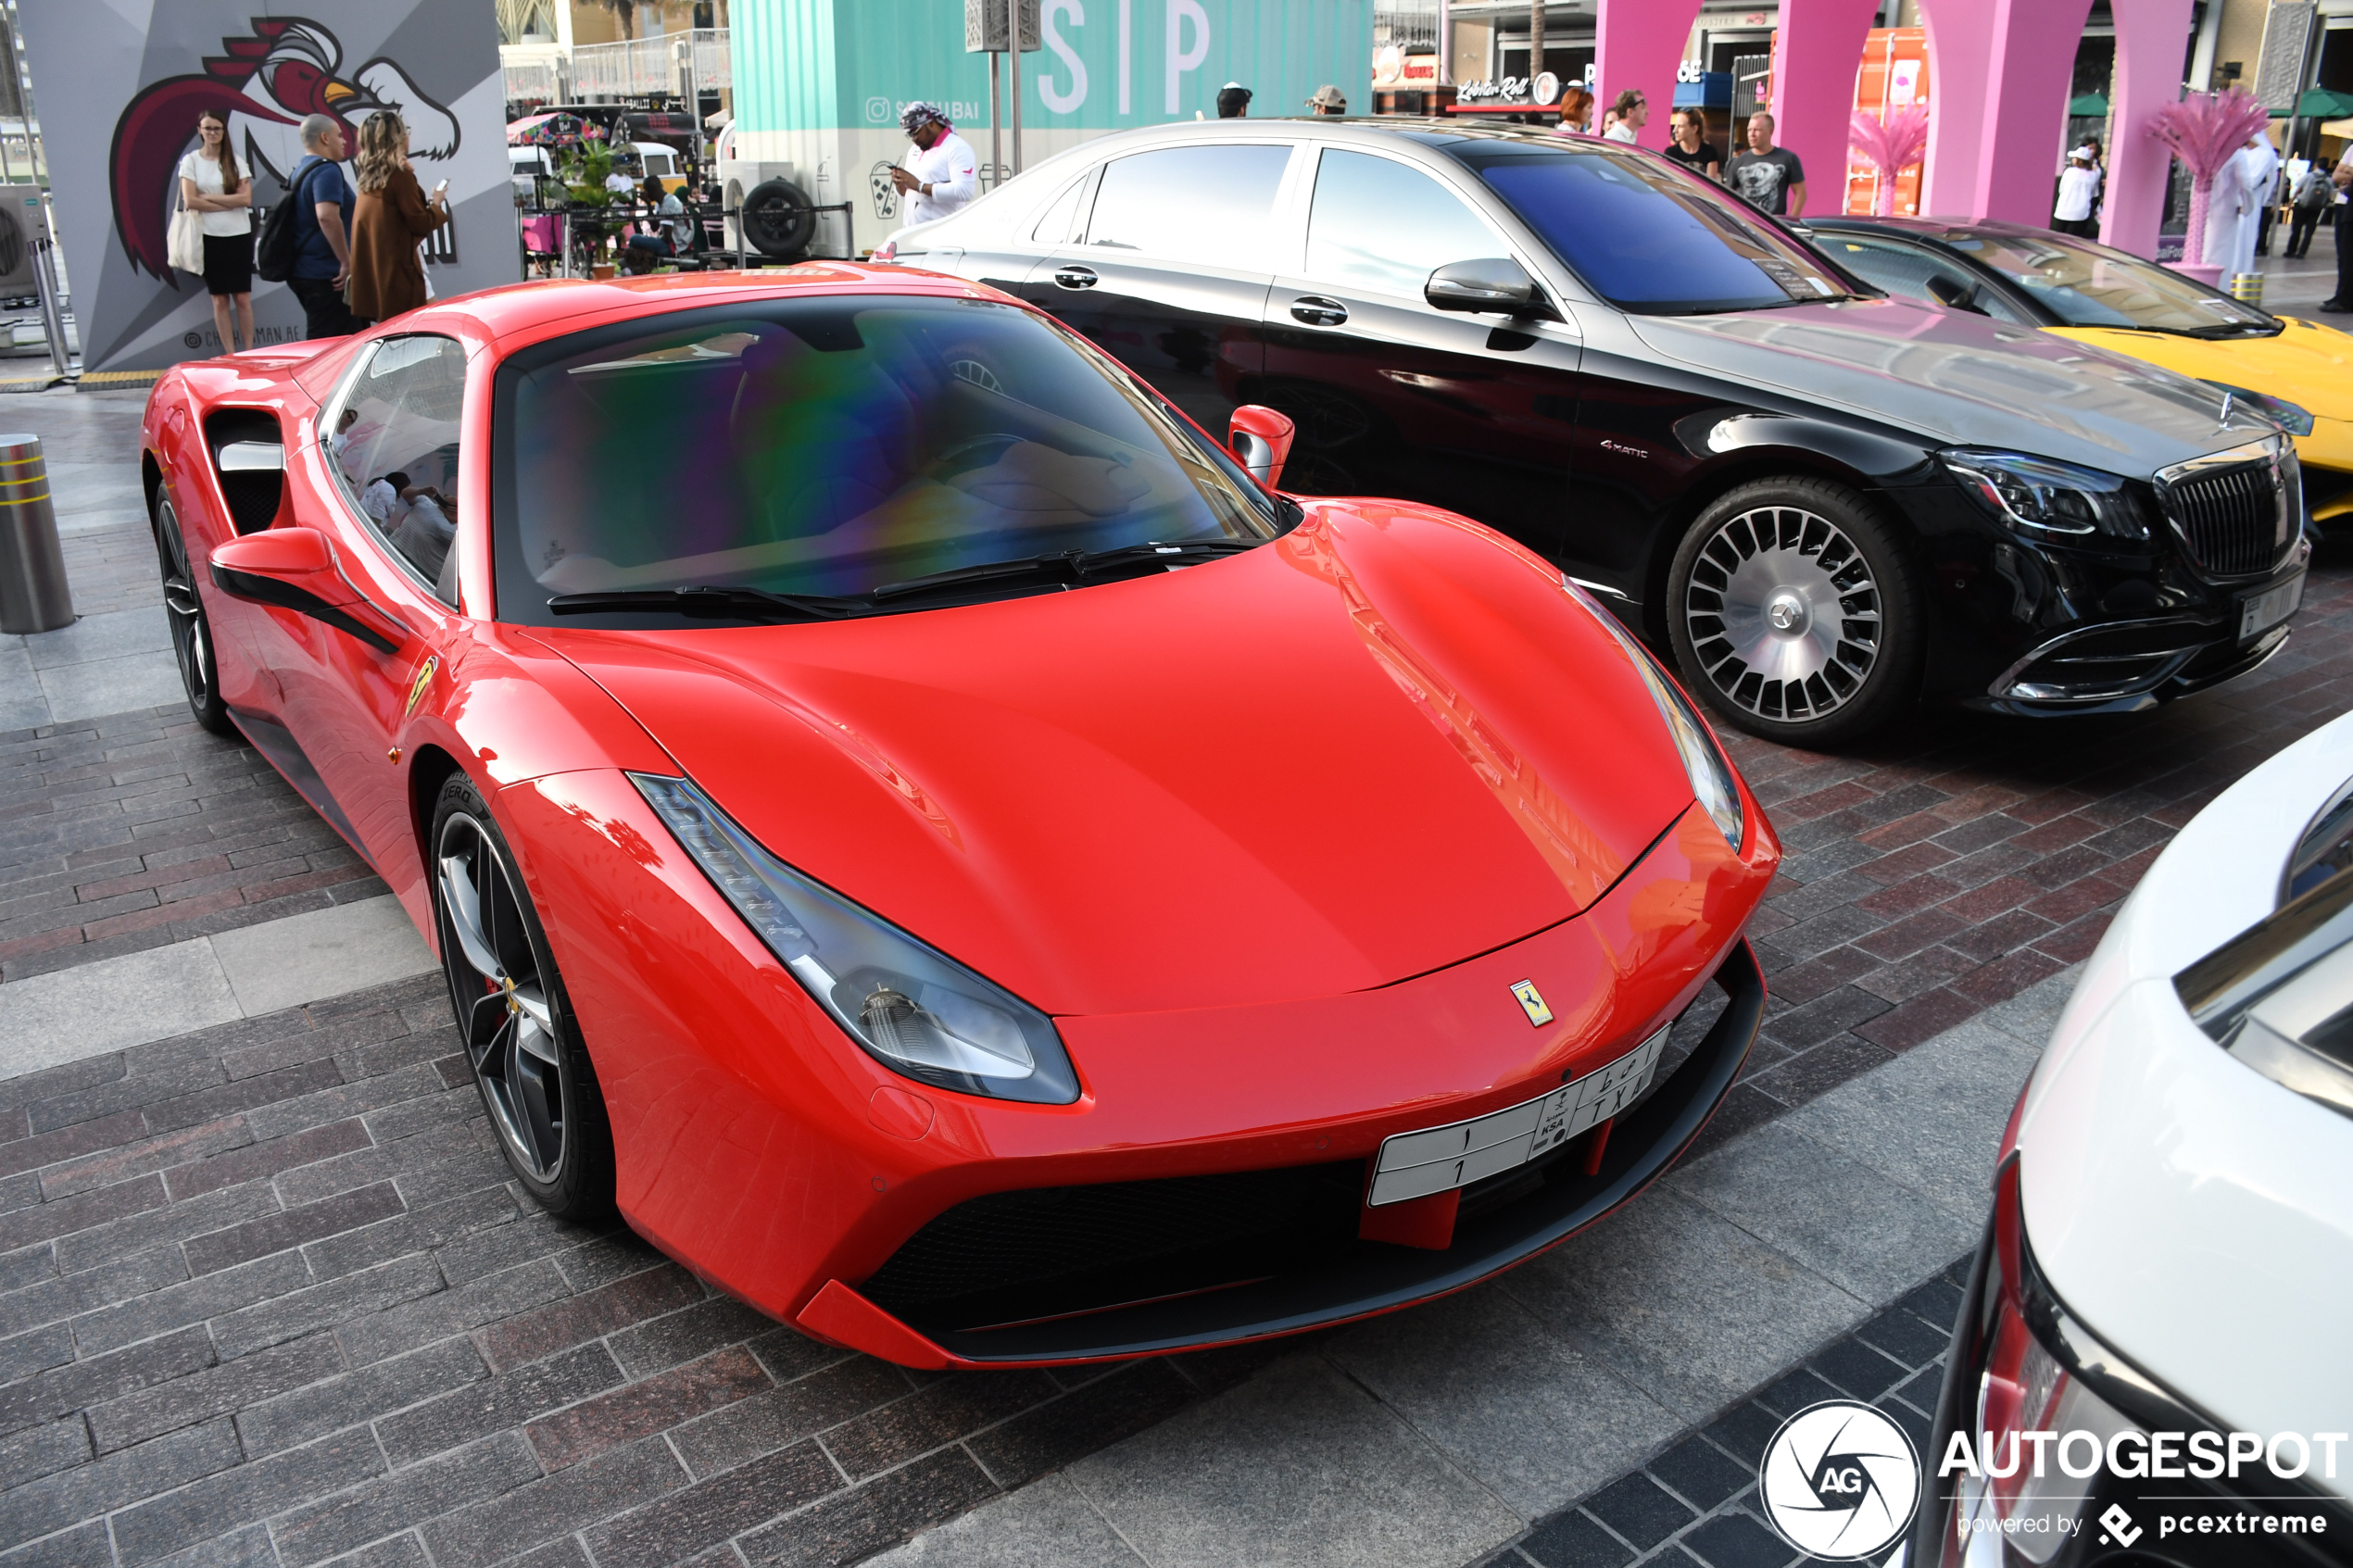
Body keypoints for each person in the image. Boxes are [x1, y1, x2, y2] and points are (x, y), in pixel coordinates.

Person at [348, 111, 449, 324]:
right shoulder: (399, 176)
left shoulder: (369, 177)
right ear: (399, 138)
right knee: (432, 323)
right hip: (402, 269)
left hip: (382, 273)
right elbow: (419, 221)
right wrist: (437, 203)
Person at [178, 109, 255, 354]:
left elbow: (246, 199)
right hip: (208, 237)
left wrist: (209, 197)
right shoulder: (191, 161)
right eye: (208, 128)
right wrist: (227, 200)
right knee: (220, 299)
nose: (212, 133)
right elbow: (190, 200)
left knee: (242, 297)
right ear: (200, 130)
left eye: (217, 128)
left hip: (239, 235)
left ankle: (250, 351)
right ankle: (231, 354)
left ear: (223, 131)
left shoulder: (236, 161)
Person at [285, 114, 361, 338]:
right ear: (325, 138)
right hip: (327, 276)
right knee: (333, 343)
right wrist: (345, 262)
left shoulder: (301, 169)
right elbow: (327, 216)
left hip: (307, 272)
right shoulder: (327, 170)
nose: (344, 141)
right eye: (339, 135)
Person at [887, 102, 978, 226]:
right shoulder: (914, 150)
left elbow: (965, 191)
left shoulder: (957, 147)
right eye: (909, 135)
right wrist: (900, 183)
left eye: (916, 132)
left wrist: (919, 186)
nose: (913, 138)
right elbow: (907, 194)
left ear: (930, 123)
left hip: (943, 235)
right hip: (912, 235)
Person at [1725, 111, 1806, 217]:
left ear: (1770, 131)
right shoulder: (1738, 161)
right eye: (1749, 130)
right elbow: (1726, 196)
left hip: (1774, 225)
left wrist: (1790, 222)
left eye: (1757, 130)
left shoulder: (1788, 158)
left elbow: (1801, 193)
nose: (1752, 134)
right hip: (1745, 225)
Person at [2323, 145, 2353, 312]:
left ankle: (2345, 299)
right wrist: (2349, 172)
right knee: (2344, 255)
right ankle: (2341, 295)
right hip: (2345, 205)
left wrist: (2349, 171)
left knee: (2349, 256)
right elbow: (2336, 175)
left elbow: (2343, 172)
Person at [2289, 157, 2334, 259]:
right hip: (2317, 208)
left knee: (2296, 229)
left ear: (2316, 165)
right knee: (2309, 232)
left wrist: (2291, 202)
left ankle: (2291, 250)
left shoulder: (2309, 176)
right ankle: (2302, 252)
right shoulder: (2328, 179)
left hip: (2302, 205)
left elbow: (2298, 189)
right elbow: (2330, 195)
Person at [2052, 145, 2102, 238]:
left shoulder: (2069, 172)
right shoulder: (2093, 175)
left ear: (2079, 160)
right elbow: (2094, 195)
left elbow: (2061, 189)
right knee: (2073, 241)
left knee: (2057, 240)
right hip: (2081, 213)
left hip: (2063, 210)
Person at [1661, 107, 1721, 179]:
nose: (1675, 130)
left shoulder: (1710, 152)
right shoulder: (1670, 153)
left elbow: (1711, 186)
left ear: (1694, 129)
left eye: (1680, 126)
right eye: (1675, 125)